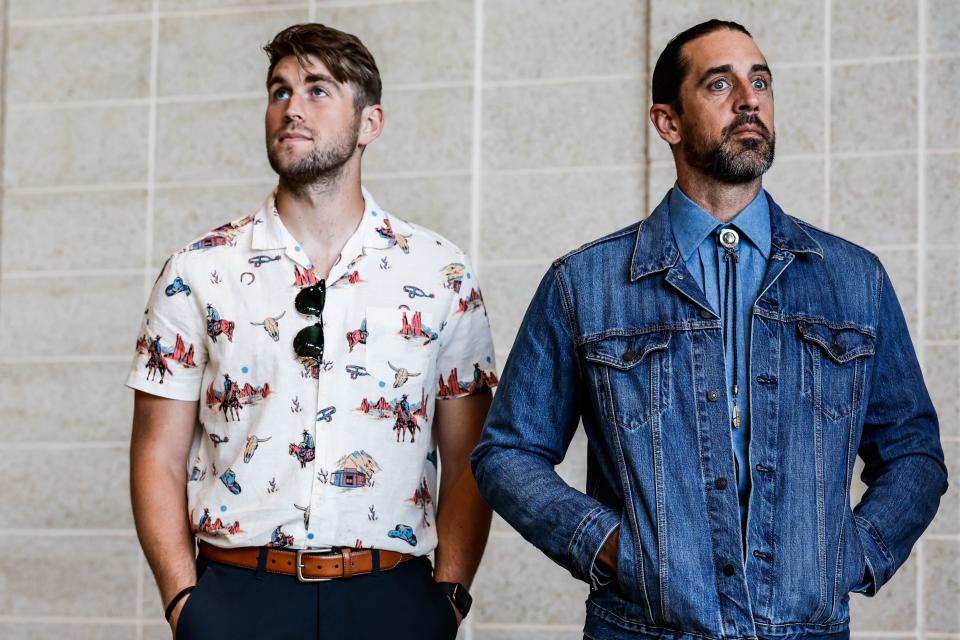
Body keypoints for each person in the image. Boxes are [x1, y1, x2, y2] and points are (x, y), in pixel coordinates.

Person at [472, 19, 948, 640]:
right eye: (720, 84)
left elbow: (913, 452)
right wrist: (613, 547)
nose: (750, 99)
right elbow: (507, 452)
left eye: (761, 82)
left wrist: (854, 553)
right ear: (667, 121)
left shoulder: (854, 280)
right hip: (643, 629)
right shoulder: (585, 284)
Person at [128, 23, 496, 639]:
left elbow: (469, 457)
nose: (292, 108)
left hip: (393, 599)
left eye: (318, 90)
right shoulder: (197, 269)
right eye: (279, 91)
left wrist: (449, 596)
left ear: (370, 123)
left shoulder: (440, 272)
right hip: (236, 599)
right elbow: (155, 453)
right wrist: (183, 604)